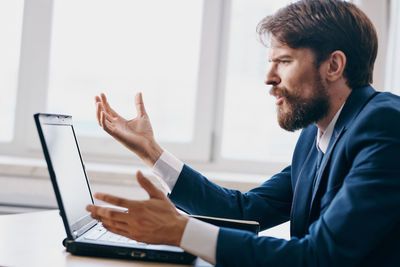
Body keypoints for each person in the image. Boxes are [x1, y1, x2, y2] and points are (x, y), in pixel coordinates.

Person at [86, 0, 400, 266]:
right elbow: (244, 211)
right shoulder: (314, 137)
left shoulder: (383, 125)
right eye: (270, 62)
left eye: (284, 61)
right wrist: (150, 151)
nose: (268, 77)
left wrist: (180, 230)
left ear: (333, 66)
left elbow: (321, 256)